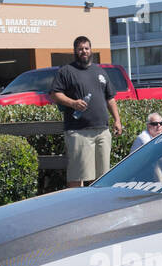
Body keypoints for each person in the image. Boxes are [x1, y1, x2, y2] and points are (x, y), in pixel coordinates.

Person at [50, 37, 124, 188]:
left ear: (91, 50)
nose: (84, 51)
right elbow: (54, 94)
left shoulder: (100, 72)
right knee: (78, 175)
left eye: (86, 48)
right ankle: (75, 207)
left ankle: (98, 206)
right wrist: (73, 103)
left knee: (102, 176)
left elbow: (110, 98)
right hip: (79, 132)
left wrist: (117, 120)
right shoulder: (66, 71)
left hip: (102, 131)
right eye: (80, 49)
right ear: (75, 51)